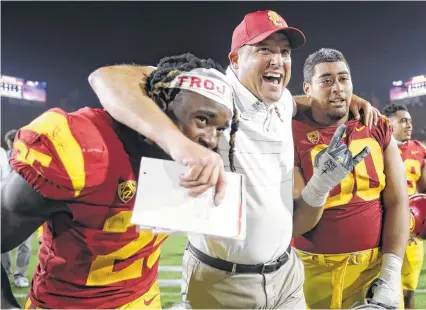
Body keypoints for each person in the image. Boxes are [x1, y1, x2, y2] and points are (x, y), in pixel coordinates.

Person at [88, 10, 380, 309]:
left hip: (287, 277)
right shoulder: (214, 92)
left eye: (284, 51)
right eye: (264, 49)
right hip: (223, 282)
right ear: (236, 60)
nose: (277, 59)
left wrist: (344, 100)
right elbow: (108, 78)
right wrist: (179, 145)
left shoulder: (279, 100)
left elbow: (297, 103)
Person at [1, 53, 236, 309]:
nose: (211, 140)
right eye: (202, 119)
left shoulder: (194, 160)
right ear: (161, 104)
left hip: (143, 301)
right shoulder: (83, 150)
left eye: (219, 129)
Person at [291, 48, 410, 309]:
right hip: (310, 274)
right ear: (307, 88)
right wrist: (321, 184)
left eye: (344, 79)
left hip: (373, 271)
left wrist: (390, 273)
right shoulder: (289, 129)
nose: (338, 88)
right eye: (326, 80)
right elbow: (295, 223)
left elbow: (398, 202)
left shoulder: (375, 124)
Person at [383, 103, 426, 309]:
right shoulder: (377, 148)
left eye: (409, 120)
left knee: (408, 290)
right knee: (383, 291)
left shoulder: (419, 150)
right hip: (384, 229)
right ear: (388, 124)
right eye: (402, 120)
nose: (409, 125)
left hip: (412, 234)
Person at [1, 129, 33, 288]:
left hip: (25, 206)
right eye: (11, 142)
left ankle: (20, 274)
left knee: (25, 243)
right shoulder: (2, 156)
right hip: (3, 205)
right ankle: (5, 273)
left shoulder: (29, 157)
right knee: (3, 241)